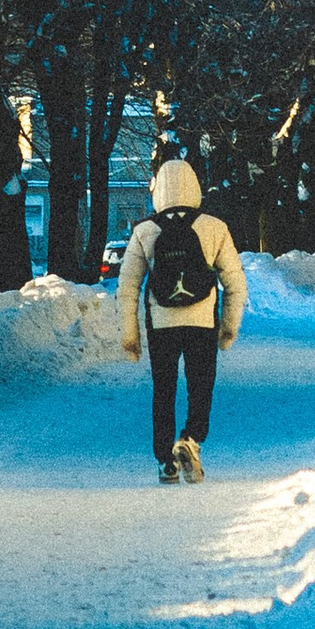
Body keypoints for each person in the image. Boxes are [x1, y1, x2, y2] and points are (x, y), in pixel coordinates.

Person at [116, 157, 248, 484]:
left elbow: (128, 287)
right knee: (200, 385)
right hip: (202, 322)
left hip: (161, 324)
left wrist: (130, 336)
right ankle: (190, 439)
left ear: (158, 190)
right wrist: (229, 328)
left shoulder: (145, 231)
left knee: (164, 389)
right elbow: (235, 283)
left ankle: (165, 461)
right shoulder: (214, 228)